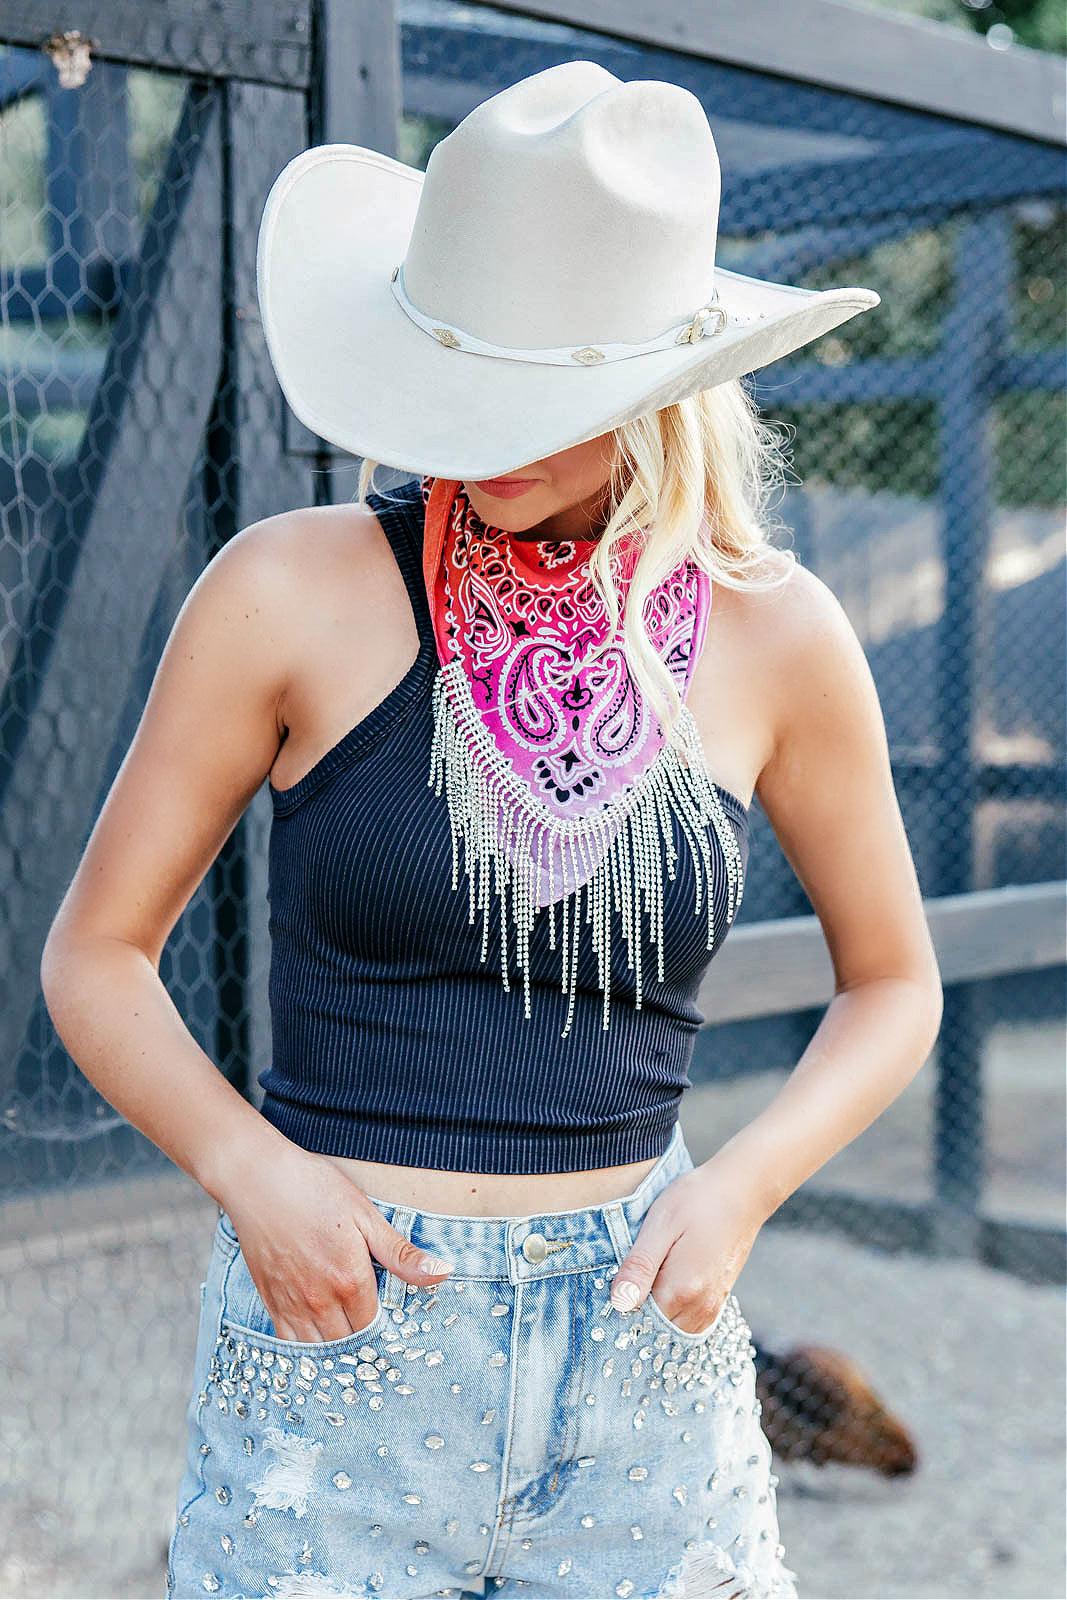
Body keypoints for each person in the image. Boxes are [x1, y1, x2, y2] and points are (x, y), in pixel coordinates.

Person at [39, 60, 943, 1600]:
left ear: (663, 379)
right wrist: (251, 1173)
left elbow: (897, 983)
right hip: (337, 1339)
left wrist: (738, 1189)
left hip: (645, 1357)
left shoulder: (779, 635)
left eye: (541, 393)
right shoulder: (285, 589)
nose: (483, 435)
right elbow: (96, 954)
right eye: (463, 376)